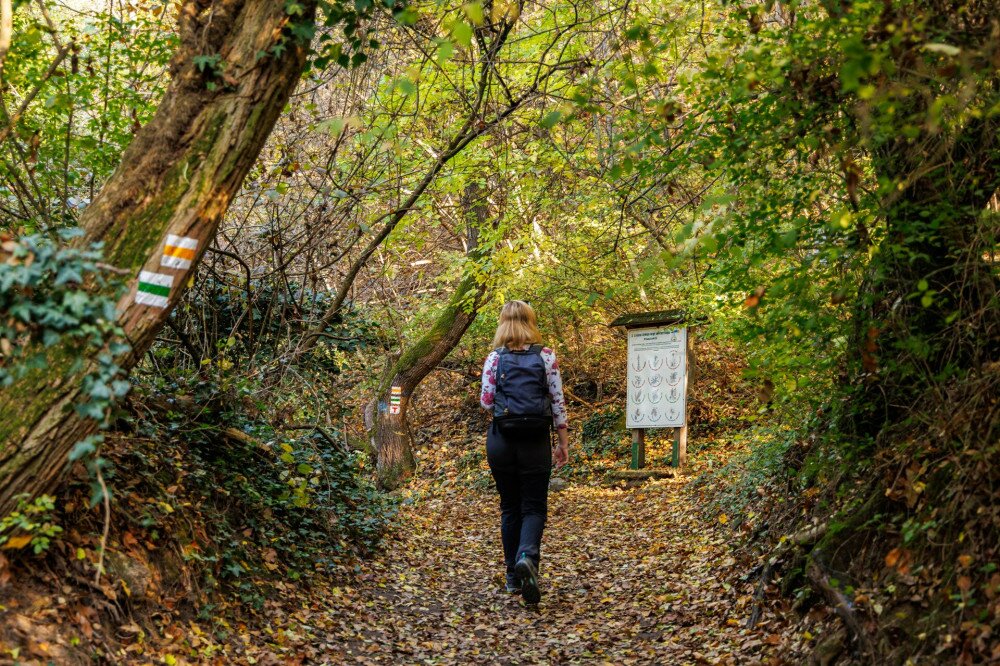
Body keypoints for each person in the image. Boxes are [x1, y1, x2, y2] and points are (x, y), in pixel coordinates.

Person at [480, 300, 569, 604]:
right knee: (533, 506)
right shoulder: (545, 356)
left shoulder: (495, 358)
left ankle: (512, 577)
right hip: (535, 440)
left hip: (501, 439)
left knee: (509, 507)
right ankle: (527, 557)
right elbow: (557, 402)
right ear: (531, 321)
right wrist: (563, 442)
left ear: (502, 323)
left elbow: (486, 401)